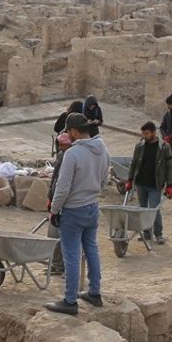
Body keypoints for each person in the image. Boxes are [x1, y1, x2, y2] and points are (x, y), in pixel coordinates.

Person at [45, 112, 109, 316]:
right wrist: (93, 192)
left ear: (73, 131)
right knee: (91, 250)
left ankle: (70, 301)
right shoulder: (102, 148)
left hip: (73, 210)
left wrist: (54, 210)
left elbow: (62, 188)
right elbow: (105, 179)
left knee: (71, 255)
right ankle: (94, 292)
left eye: (68, 131)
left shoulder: (72, 154)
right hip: (92, 206)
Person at [124, 121, 172, 244]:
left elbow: (169, 167)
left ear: (153, 132)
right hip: (141, 183)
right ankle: (146, 233)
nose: (144, 136)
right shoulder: (140, 146)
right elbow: (133, 163)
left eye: (146, 133)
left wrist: (170, 185)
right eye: (143, 134)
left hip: (155, 184)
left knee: (154, 210)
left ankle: (158, 234)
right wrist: (130, 179)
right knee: (142, 209)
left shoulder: (164, 147)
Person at [44, 131, 73, 275]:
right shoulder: (61, 157)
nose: (61, 148)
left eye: (63, 145)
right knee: (53, 235)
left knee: (65, 238)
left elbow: (65, 185)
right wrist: (50, 198)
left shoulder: (73, 158)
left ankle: (66, 268)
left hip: (68, 203)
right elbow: (55, 179)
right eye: (59, 145)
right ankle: (57, 265)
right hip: (57, 199)